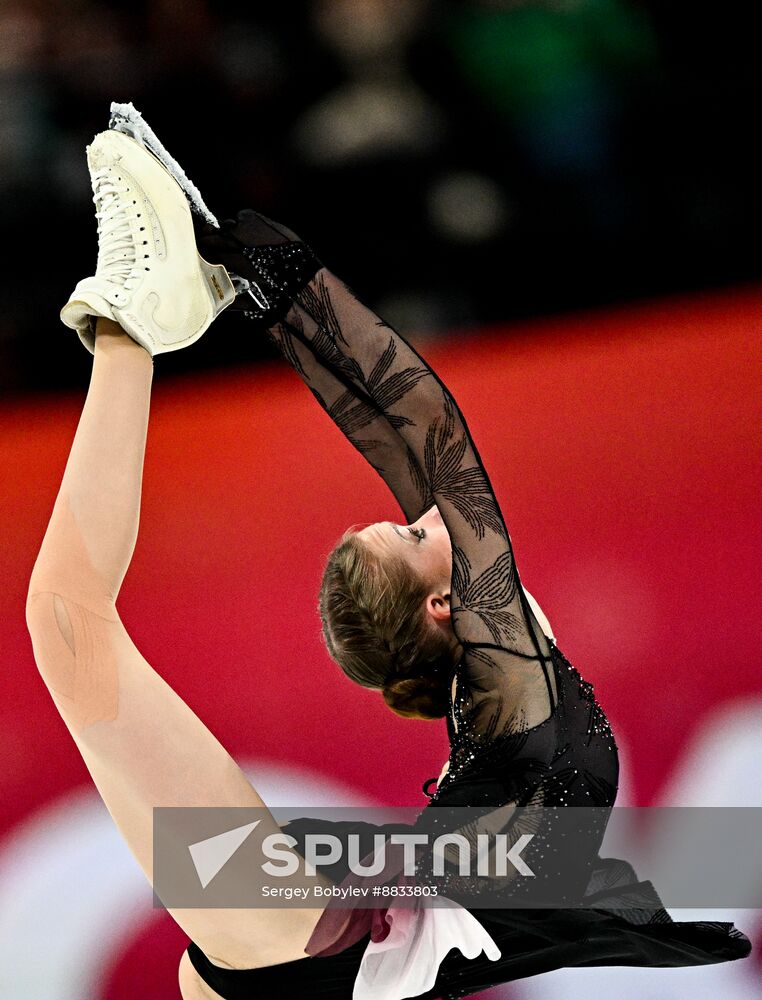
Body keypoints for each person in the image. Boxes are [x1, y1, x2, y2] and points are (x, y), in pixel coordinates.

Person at [25, 115, 751, 1000]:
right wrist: (274, 289)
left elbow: (419, 437)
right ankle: (142, 312)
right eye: (412, 533)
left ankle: (136, 316)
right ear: (443, 603)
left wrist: (277, 289)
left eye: (410, 528)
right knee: (66, 624)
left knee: (67, 622)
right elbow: (415, 433)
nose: (425, 516)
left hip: (316, 933)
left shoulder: (505, 678)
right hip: (321, 943)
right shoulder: (511, 674)